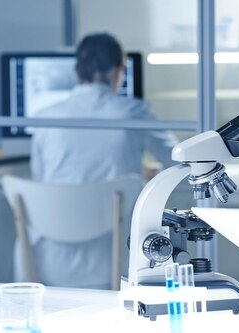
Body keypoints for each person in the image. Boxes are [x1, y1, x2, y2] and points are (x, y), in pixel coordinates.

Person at [25, 32, 179, 288]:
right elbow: (177, 162)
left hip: (48, 259)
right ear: (119, 70)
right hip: (114, 256)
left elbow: (43, 178)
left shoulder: (44, 117)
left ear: (77, 72)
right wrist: (139, 175)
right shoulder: (133, 113)